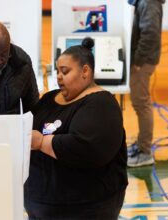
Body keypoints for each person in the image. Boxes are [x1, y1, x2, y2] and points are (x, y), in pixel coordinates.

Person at [24, 37, 128, 219]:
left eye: (65, 71)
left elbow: (86, 147)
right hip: (41, 203)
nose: (58, 77)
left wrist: (41, 142)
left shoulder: (101, 104)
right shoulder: (49, 98)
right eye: (57, 71)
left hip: (85, 208)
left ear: (85, 71)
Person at [127, 0, 165, 167]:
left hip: (142, 62)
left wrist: (138, 60)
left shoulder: (149, 2)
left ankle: (144, 152)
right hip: (141, 60)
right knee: (140, 103)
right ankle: (142, 145)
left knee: (141, 103)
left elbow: (150, 32)